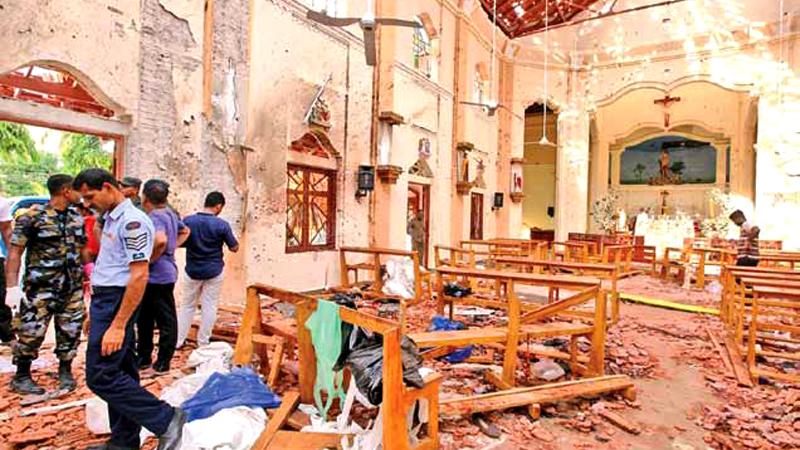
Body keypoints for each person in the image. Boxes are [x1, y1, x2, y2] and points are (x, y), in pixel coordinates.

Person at [73, 168, 184, 450]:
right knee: (122, 370)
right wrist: (93, 310)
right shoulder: (111, 218)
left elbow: (138, 275)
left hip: (116, 302)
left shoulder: (133, 222)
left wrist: (119, 324)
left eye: (90, 196)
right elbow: (109, 266)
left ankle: (166, 418)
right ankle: (124, 442)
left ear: (109, 187)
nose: (87, 203)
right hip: (105, 300)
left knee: (101, 375)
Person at [5, 175, 88, 394]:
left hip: (71, 287)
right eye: (77, 190)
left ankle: (65, 371)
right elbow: (15, 252)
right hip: (41, 287)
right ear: (65, 190)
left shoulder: (76, 218)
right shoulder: (32, 217)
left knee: (70, 330)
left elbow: (83, 252)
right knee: (31, 331)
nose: (81, 195)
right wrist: (11, 288)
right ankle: (21, 376)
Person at [136, 179, 189, 372]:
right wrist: (171, 249)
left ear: (145, 197)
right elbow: (185, 231)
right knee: (148, 318)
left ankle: (160, 360)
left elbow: (160, 240)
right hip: (164, 273)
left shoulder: (155, 216)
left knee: (156, 319)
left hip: (156, 275)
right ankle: (146, 357)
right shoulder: (169, 214)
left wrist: (149, 259)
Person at [176, 192, 238, 348]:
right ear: (218, 206)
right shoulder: (222, 225)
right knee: (209, 305)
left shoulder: (188, 221)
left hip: (192, 270)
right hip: (214, 270)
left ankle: (178, 341)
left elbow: (180, 242)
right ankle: (203, 342)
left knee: (187, 306)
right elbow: (234, 247)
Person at [0, 195, 14, 343]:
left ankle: (6, 336)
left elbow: (7, 232)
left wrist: (12, 258)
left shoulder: (2, 203)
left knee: (1, 297)